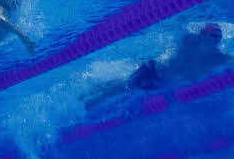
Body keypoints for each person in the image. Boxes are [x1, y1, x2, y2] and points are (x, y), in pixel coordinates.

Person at [84, 22, 231, 108]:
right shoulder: (189, 41)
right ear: (202, 34)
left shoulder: (218, 57)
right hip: (154, 71)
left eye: (219, 36)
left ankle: (94, 95)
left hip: (164, 83)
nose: (216, 39)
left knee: (124, 88)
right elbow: (177, 25)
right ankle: (90, 99)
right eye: (213, 35)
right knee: (122, 87)